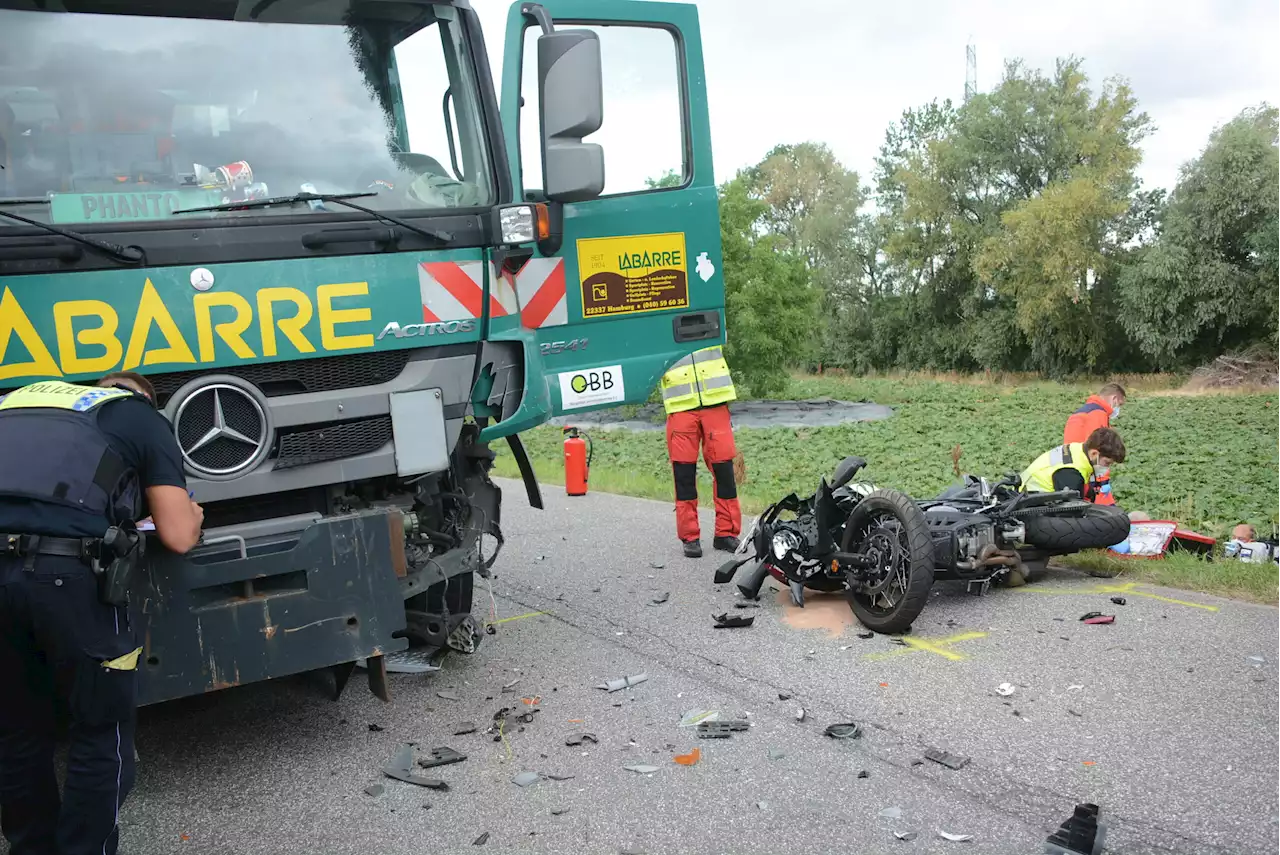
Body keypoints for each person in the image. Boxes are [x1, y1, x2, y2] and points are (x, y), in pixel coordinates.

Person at [0, 371, 203, 855]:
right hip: (65, 576)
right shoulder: (137, 416)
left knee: (16, 730)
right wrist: (191, 513)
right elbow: (176, 534)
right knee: (100, 730)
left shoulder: (18, 400)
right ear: (146, 399)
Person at [660, 346, 741, 558]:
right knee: (684, 475)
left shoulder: (709, 314)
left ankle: (725, 533)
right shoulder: (663, 317)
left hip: (715, 402)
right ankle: (690, 537)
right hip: (680, 407)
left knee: (725, 472)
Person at [1021, 427, 1127, 505]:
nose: (1107, 468)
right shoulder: (1071, 473)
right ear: (1094, 453)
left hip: (1028, 495)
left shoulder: (1078, 450)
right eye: (1107, 463)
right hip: (1029, 504)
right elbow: (1070, 513)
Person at [1063, 383, 1126, 506]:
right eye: (1120, 405)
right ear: (1114, 399)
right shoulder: (1098, 414)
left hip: (1074, 470)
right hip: (1091, 477)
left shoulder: (1081, 412)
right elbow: (1099, 450)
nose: (1118, 409)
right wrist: (1102, 487)